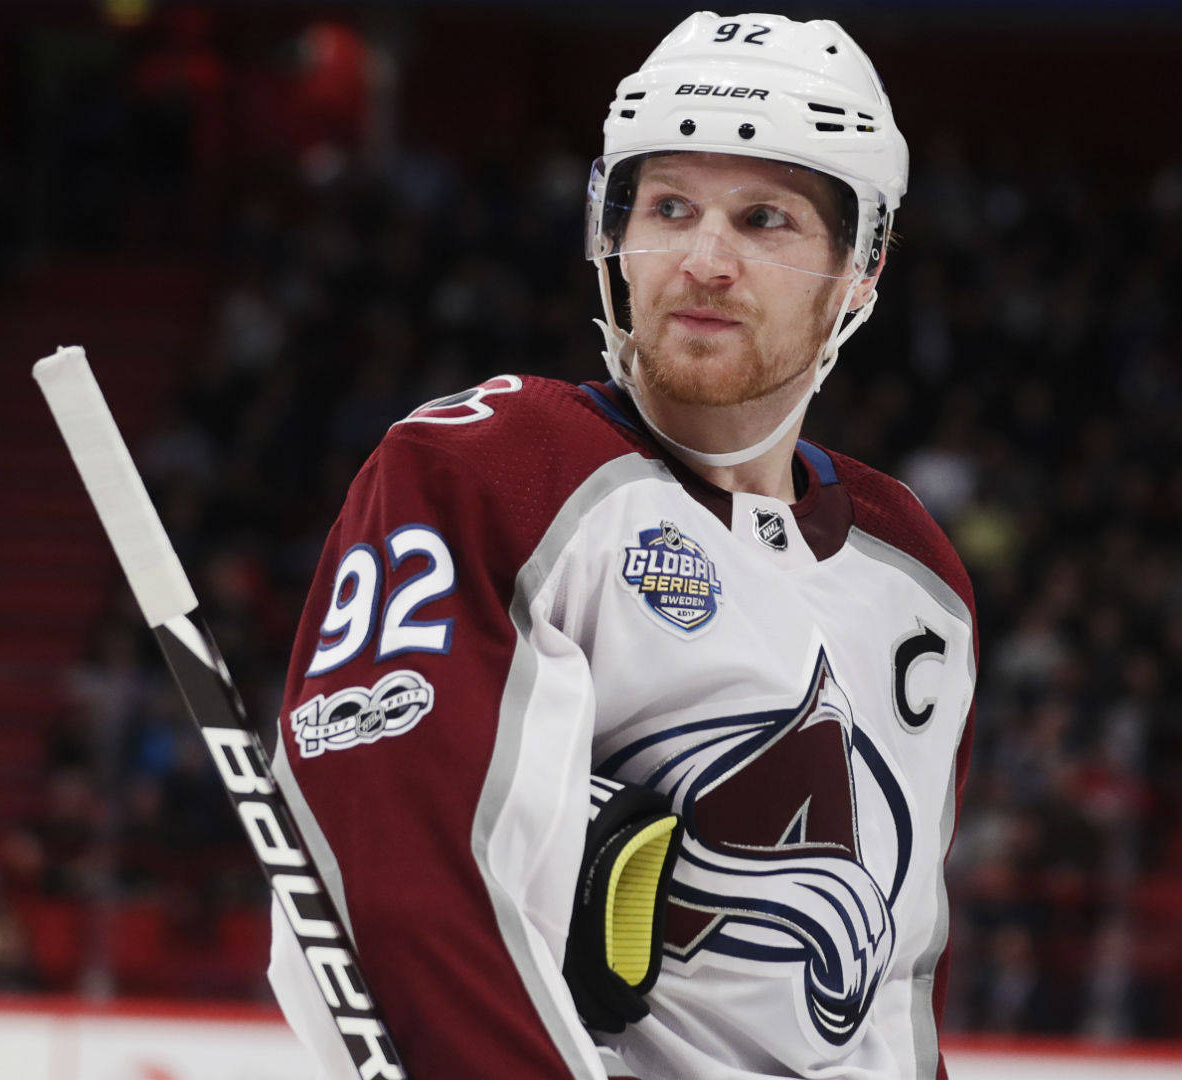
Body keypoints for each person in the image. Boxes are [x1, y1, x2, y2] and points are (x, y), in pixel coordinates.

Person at [266, 12, 977, 1079]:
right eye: (669, 207)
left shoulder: (916, 575)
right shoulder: (494, 470)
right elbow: (400, 886)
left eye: (766, 219)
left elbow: (896, 991)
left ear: (859, 269)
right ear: (614, 230)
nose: (704, 261)